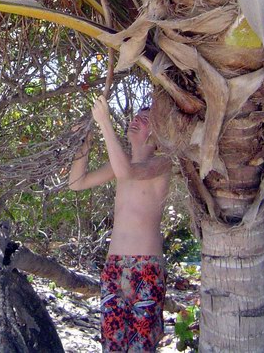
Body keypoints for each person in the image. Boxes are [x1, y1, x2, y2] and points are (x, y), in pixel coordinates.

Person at [69, 95, 171, 352]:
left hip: (146, 266)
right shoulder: (120, 164)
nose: (137, 119)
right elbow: (76, 183)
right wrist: (84, 145)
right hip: (114, 266)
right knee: (113, 343)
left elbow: (127, 172)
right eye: (137, 115)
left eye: (145, 119)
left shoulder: (161, 163)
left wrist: (104, 123)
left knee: (142, 345)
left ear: (157, 134)